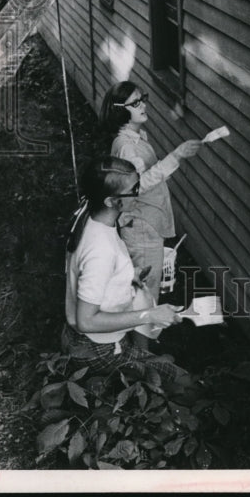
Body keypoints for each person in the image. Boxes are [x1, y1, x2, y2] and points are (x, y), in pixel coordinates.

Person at [63, 155, 190, 387]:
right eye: (134, 190)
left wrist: (126, 275)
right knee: (182, 382)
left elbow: (86, 268)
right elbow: (86, 321)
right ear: (112, 201)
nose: (139, 193)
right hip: (98, 347)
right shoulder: (100, 250)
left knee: (158, 372)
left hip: (85, 339)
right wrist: (150, 315)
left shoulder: (90, 215)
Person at [99, 81, 201, 333]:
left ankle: (143, 347)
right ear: (120, 110)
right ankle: (143, 353)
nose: (143, 104)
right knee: (144, 292)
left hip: (146, 221)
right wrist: (176, 156)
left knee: (145, 287)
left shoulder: (135, 138)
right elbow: (137, 186)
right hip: (141, 225)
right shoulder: (126, 146)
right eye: (135, 103)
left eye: (142, 98)